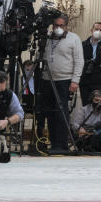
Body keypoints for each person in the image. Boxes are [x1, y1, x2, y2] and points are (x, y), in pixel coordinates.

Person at [41, 15, 83, 154]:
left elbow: (79, 61)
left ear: (66, 26)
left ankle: (62, 144)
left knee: (61, 113)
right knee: (49, 112)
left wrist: (75, 80)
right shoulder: (46, 37)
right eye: (56, 25)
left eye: (61, 26)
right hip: (47, 80)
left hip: (65, 80)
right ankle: (53, 143)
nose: (58, 28)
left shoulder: (74, 38)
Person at [0, 73, 23, 162]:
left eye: (2, 90)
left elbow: (20, 113)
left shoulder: (10, 95)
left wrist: (7, 121)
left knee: (3, 156)